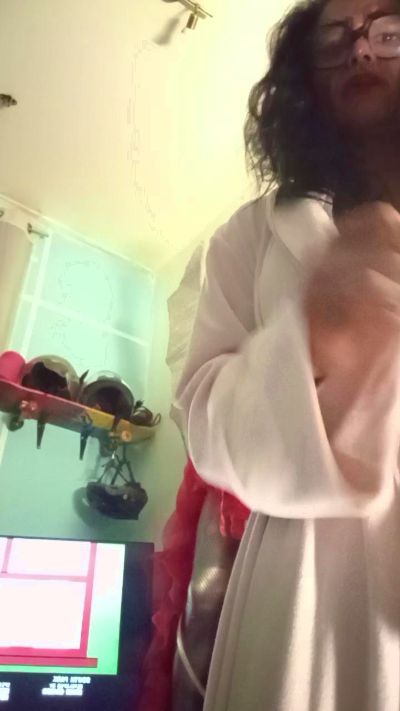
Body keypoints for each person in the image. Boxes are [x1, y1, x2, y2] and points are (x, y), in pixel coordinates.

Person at [172, 0, 400, 709]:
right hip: (296, 588)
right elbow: (201, 416)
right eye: (336, 37)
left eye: (389, 31)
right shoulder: (250, 235)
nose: (362, 51)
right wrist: (313, 341)